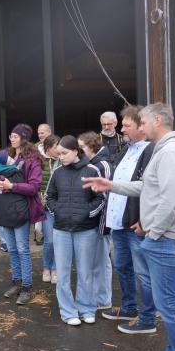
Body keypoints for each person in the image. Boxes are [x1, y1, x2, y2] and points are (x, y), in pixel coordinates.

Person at [83, 102, 175, 351]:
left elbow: (169, 201)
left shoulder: (170, 152)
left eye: (143, 122)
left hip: (168, 240)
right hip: (166, 238)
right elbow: (148, 187)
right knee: (169, 304)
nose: (140, 127)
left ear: (157, 120)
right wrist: (112, 186)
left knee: (170, 306)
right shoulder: (164, 150)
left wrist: (154, 233)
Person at [102, 105, 156, 334]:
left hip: (136, 224)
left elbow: (151, 189)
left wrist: (144, 220)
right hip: (119, 221)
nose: (121, 129)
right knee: (123, 266)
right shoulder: (127, 149)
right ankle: (129, 308)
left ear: (141, 127)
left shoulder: (151, 150)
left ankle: (148, 318)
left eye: (126, 125)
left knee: (143, 273)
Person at [46, 135, 105, 325]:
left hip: (85, 230)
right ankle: (68, 312)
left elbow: (101, 198)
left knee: (85, 272)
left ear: (75, 151)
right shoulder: (57, 173)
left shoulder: (92, 170)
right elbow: (49, 197)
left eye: (64, 153)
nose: (61, 157)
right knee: (62, 274)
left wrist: (87, 214)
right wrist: (58, 211)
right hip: (61, 229)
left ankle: (86, 309)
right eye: (59, 154)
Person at [0, 124, 46, 305]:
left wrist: (11, 186)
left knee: (22, 249)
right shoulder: (6, 154)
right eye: (11, 136)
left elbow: (34, 186)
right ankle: (16, 282)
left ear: (24, 138)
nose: (12, 139)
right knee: (12, 248)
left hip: (21, 208)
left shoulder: (32, 158)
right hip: (5, 207)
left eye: (15, 136)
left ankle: (26, 287)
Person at [78, 131, 113, 311]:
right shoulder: (91, 163)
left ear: (91, 146)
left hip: (101, 221)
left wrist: (95, 217)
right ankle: (96, 296)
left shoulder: (102, 165)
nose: (79, 151)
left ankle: (103, 299)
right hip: (93, 220)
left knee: (101, 262)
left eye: (81, 147)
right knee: (93, 262)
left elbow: (106, 196)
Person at [39, 134, 61, 283]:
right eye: (55, 147)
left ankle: (55, 268)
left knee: (59, 240)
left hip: (61, 206)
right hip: (46, 207)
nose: (59, 149)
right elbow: (35, 183)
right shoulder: (39, 161)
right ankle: (47, 267)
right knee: (49, 240)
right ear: (47, 148)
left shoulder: (63, 160)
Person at [34, 124, 53, 245]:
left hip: (53, 189)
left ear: (49, 132)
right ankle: (39, 236)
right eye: (39, 133)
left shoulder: (57, 145)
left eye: (42, 133)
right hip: (40, 189)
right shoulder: (35, 148)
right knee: (39, 219)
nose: (40, 135)